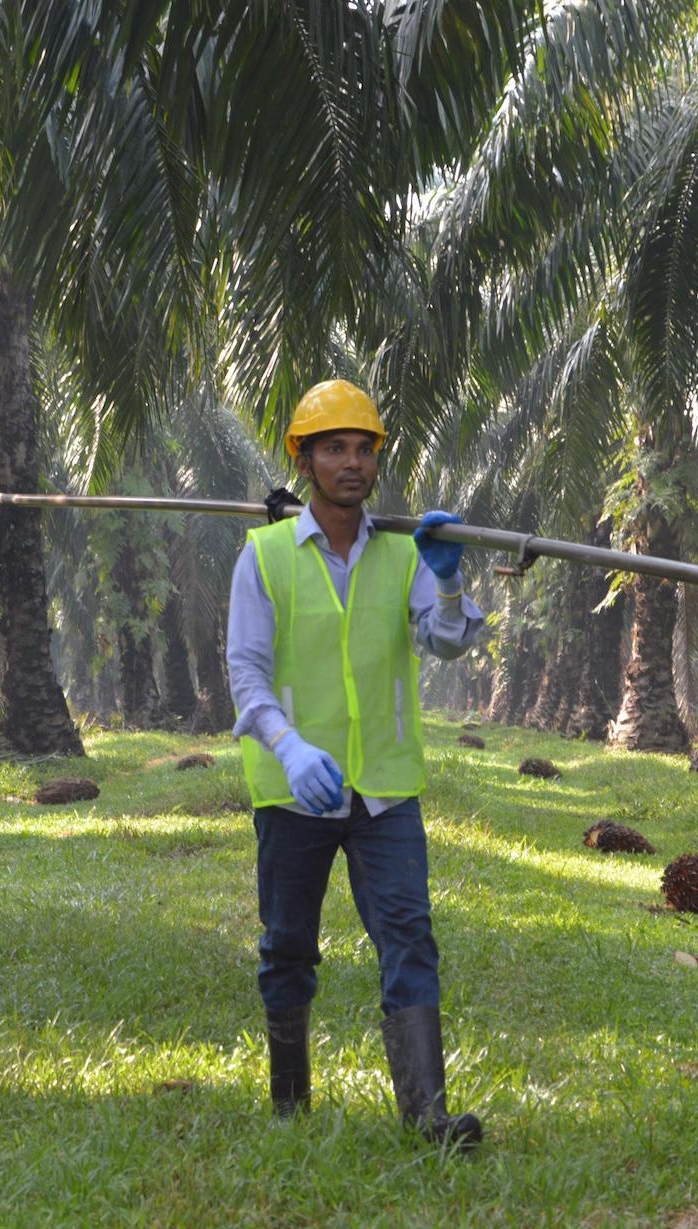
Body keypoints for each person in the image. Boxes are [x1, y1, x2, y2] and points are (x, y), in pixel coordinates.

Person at [226, 378, 487, 1148]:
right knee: (288, 943)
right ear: (302, 459)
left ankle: (428, 1115)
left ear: (377, 460)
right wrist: (288, 743)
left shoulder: (407, 552)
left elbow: (442, 641)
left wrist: (447, 581)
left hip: (383, 789)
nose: (351, 462)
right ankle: (289, 1102)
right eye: (333, 447)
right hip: (294, 787)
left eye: (363, 448)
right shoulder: (266, 556)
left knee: (409, 934)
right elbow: (247, 670)